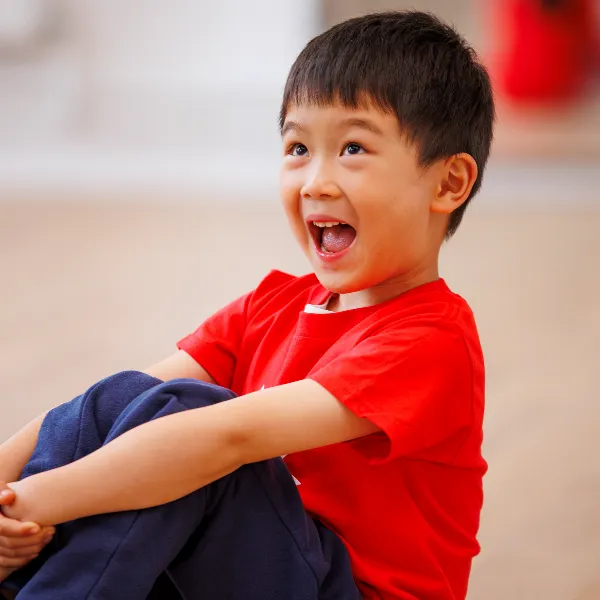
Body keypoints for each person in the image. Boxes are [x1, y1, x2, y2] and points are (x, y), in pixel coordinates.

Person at [0, 10, 495, 600]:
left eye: (354, 147)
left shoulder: (430, 340)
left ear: (447, 184)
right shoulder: (273, 305)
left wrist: (29, 505)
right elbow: (112, 402)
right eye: (298, 148)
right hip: (268, 569)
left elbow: (223, 439)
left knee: (196, 433)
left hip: (348, 591)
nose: (316, 181)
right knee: (131, 400)